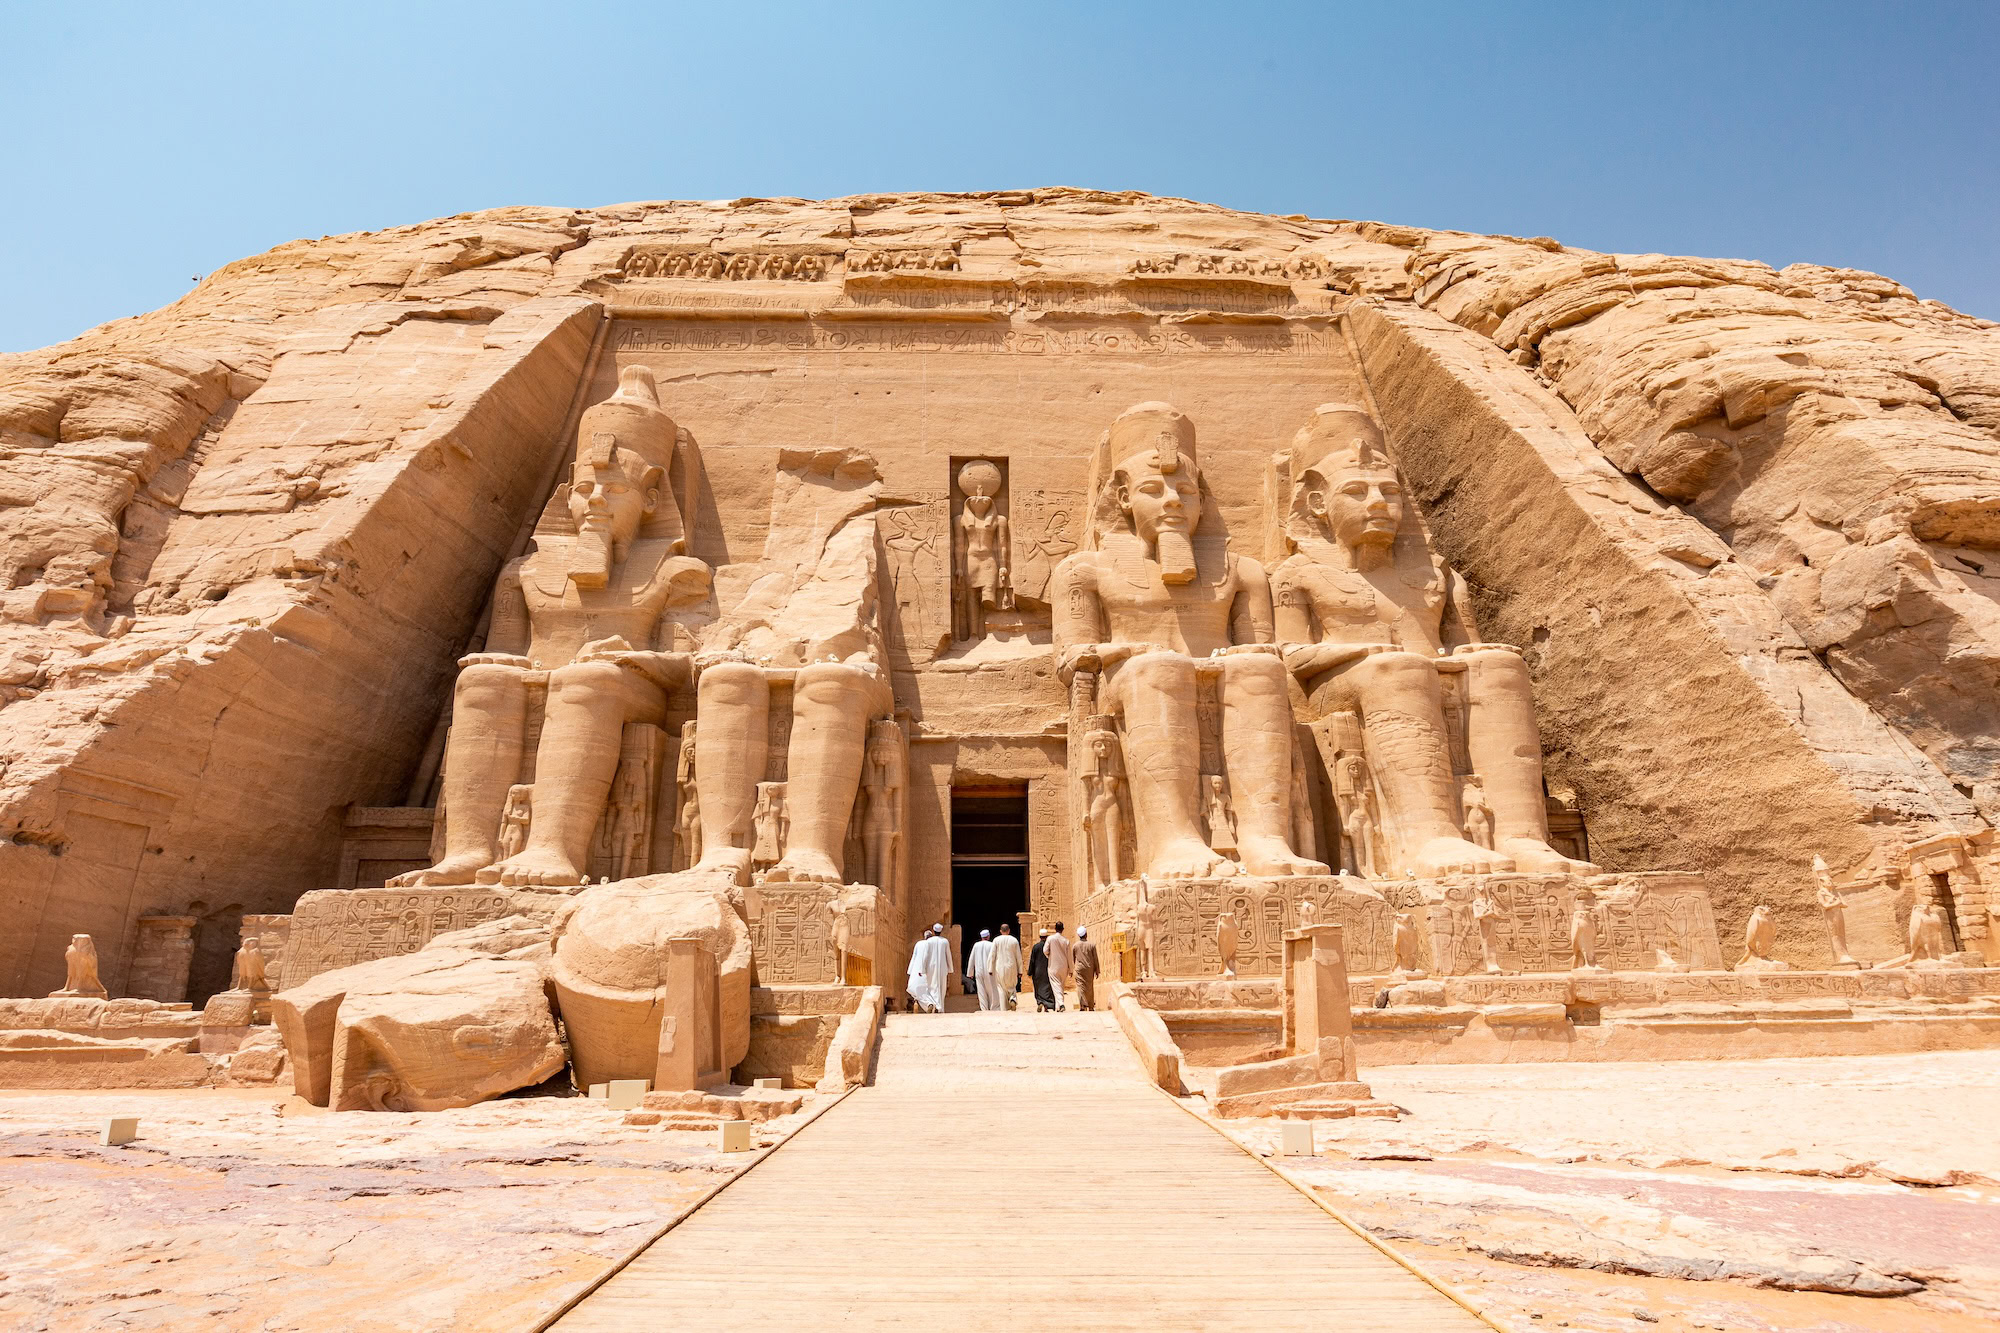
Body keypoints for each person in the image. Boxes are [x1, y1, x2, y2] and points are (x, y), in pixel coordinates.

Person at [907, 924, 954, 1013]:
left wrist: (923, 969)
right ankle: (940, 1008)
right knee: (941, 988)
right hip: (943, 968)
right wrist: (950, 968)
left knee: (932, 987)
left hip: (931, 968)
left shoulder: (929, 942)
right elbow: (948, 955)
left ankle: (936, 1006)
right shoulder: (945, 941)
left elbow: (925, 956)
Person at [992, 922, 1023, 1010]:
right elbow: (1018, 957)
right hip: (1011, 966)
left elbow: (992, 955)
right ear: (1009, 931)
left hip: (1000, 967)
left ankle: (1003, 1009)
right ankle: (1013, 998)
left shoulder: (996, 940)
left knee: (1001, 989)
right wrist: (1020, 970)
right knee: (1012, 986)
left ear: (1000, 931)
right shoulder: (1014, 940)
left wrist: (990, 969)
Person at [969, 929, 1000, 1011]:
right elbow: (995, 958)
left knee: (981, 991)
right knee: (992, 990)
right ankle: (993, 1007)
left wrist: (970, 973)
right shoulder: (991, 945)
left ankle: (984, 1008)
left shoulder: (976, 945)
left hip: (979, 971)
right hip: (989, 971)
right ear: (988, 936)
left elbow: (971, 959)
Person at [1046, 921, 1073, 1012]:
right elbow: (1069, 956)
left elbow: (1045, 950)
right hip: (1064, 966)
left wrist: (1049, 956)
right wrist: (1071, 969)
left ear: (1055, 928)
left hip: (1053, 965)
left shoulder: (1050, 938)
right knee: (1060, 985)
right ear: (1063, 929)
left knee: (1055, 985)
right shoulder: (1066, 941)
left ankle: (1061, 1004)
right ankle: (1058, 1007)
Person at [1073, 926, 1101, 1011]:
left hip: (1079, 968)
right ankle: (1090, 1005)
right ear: (1086, 934)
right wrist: (1097, 970)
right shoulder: (1091, 945)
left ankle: (1083, 1005)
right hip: (1089, 968)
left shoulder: (1075, 945)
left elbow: (1073, 958)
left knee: (1080, 986)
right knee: (1089, 987)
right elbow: (1095, 958)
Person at [1028, 928, 1054, 1011]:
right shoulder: (1049, 946)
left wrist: (1030, 972)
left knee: (1038, 987)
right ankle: (1046, 1005)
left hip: (1037, 971)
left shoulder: (1036, 947)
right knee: (1047, 988)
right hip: (1047, 969)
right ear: (1047, 937)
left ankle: (1040, 1002)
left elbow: (1032, 960)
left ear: (1039, 936)